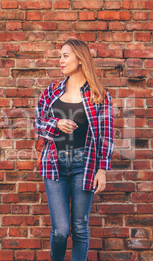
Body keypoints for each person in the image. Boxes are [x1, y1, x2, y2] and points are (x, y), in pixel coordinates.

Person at [33, 38, 114, 261]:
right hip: (54, 164)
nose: (61, 61)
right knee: (60, 230)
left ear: (80, 59)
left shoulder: (99, 95)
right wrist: (55, 124)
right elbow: (37, 122)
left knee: (80, 228)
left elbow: (106, 135)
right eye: (60, 56)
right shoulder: (51, 92)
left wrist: (102, 170)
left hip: (84, 164)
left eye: (65, 56)